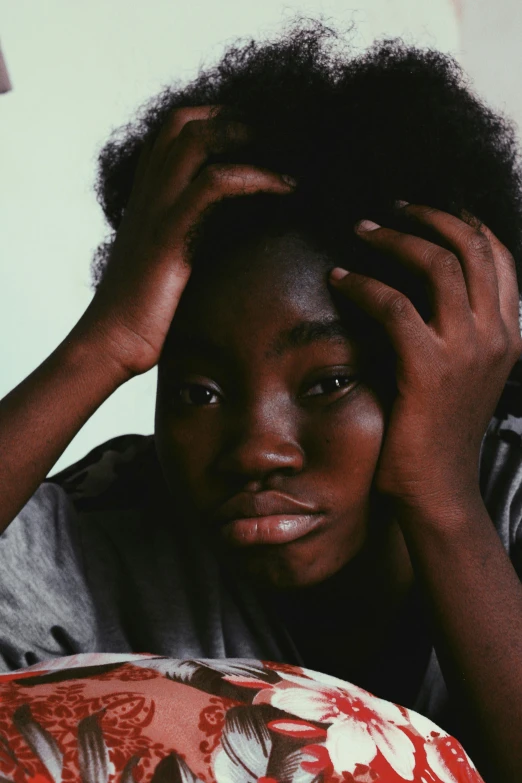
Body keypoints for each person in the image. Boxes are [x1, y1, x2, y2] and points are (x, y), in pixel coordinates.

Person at [0, 18, 521, 781]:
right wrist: (103, 343)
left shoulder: (505, 493)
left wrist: (441, 497)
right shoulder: (110, 525)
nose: (254, 448)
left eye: (328, 382)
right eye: (196, 390)